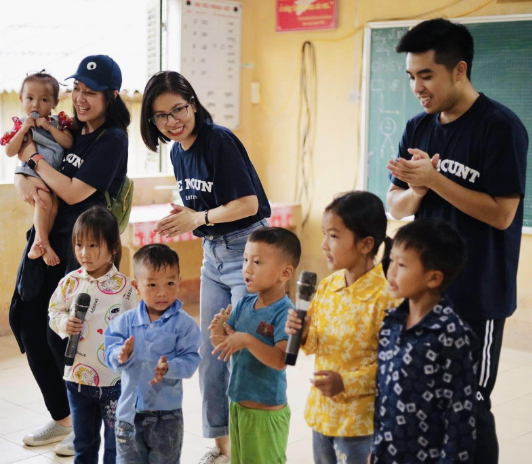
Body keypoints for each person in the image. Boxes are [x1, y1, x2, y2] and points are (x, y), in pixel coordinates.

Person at [386, 19, 528, 464]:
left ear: (459, 70)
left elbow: (503, 213)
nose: (417, 88)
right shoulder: (418, 127)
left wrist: (436, 179)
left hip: (477, 294)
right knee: (422, 398)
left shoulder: (499, 126)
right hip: (422, 293)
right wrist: (419, 189)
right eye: (412, 77)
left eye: (427, 75)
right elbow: (397, 206)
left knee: (469, 406)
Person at [140, 71, 271, 464]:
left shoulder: (219, 141)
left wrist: (198, 218)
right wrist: (191, 216)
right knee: (211, 352)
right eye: (161, 116)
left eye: (178, 109)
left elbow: (247, 205)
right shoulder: (178, 152)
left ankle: (255, 446)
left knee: (247, 353)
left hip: (249, 251)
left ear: (193, 104)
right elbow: (203, 210)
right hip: (213, 254)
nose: (172, 121)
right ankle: (224, 448)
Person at [9, 54, 130, 456]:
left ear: (110, 97)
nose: (80, 98)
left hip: (80, 247)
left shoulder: (111, 138)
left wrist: (34, 163)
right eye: (76, 89)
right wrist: (23, 178)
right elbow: (26, 152)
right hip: (46, 236)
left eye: (90, 92)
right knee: (25, 319)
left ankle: (79, 424)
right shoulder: (70, 128)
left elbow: (75, 191)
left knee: (61, 333)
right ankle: (62, 419)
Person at [285, 191, 402, 464]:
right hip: (323, 414)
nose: (324, 244)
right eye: (325, 234)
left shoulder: (386, 298)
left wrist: (345, 383)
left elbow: (392, 366)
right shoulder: (328, 285)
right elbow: (314, 342)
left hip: (360, 424)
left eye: (334, 236)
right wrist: (301, 333)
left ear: (365, 244)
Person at [372, 219, 477, 464]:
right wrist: (376, 449)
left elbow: (460, 420)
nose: (392, 271)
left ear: (433, 278)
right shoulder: (391, 323)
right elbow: (383, 397)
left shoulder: (452, 336)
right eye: (392, 261)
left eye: (402, 265)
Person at [48, 206, 137, 464]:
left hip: (115, 382)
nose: (84, 253)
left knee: (115, 446)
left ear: (113, 247)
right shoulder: (70, 282)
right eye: (79, 245)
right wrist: (64, 323)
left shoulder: (126, 288)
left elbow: (137, 328)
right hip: (77, 378)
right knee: (83, 443)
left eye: (93, 245)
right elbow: (54, 312)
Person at [209, 227, 300, 465]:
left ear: (284, 273)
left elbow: (281, 361)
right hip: (238, 405)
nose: (247, 269)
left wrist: (248, 340)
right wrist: (217, 332)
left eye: (257, 262)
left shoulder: (284, 312)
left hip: (265, 413)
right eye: (245, 260)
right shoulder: (244, 304)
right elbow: (224, 346)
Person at [105, 243, 202, 464]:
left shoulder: (184, 325)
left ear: (179, 281)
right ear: (136, 286)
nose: (162, 292)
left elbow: (191, 358)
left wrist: (169, 367)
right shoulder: (125, 322)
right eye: (152, 284)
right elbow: (110, 351)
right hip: (128, 415)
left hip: (166, 416)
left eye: (170, 283)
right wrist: (121, 355)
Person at [3, 71, 74, 266]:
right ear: (21, 99)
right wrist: (24, 130)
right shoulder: (21, 126)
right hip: (30, 173)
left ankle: (42, 241)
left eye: (43, 99)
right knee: (43, 200)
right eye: (30, 98)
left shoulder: (59, 123)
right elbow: (10, 151)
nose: (35, 104)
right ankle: (41, 242)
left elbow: (68, 143)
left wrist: (50, 128)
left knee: (53, 205)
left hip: (51, 176)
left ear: (54, 103)